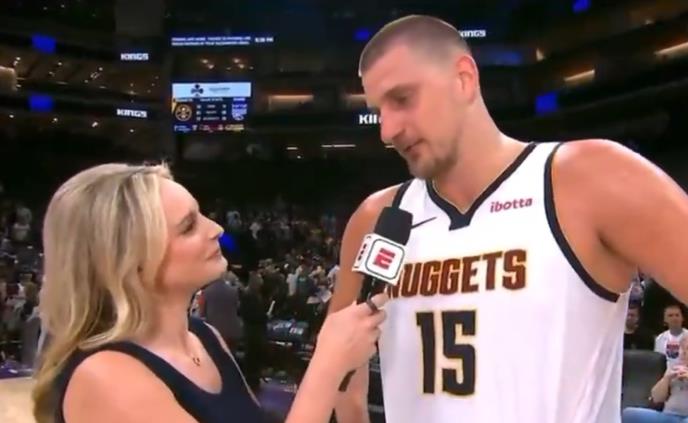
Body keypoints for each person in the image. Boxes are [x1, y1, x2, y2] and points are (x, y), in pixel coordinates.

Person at [328, 15, 688, 423]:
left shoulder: (591, 178)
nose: (387, 130)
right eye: (379, 110)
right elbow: (343, 377)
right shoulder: (376, 219)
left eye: (402, 98)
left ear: (463, 79)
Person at [33, 163, 388, 423]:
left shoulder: (205, 336)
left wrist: (349, 399)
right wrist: (327, 366)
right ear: (131, 261)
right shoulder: (106, 377)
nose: (216, 228)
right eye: (188, 226)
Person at [622, 336, 688, 422]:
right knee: (629, 414)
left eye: (687, 349)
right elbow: (657, 398)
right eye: (682, 348)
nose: (683, 353)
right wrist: (666, 379)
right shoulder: (674, 368)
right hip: (668, 416)